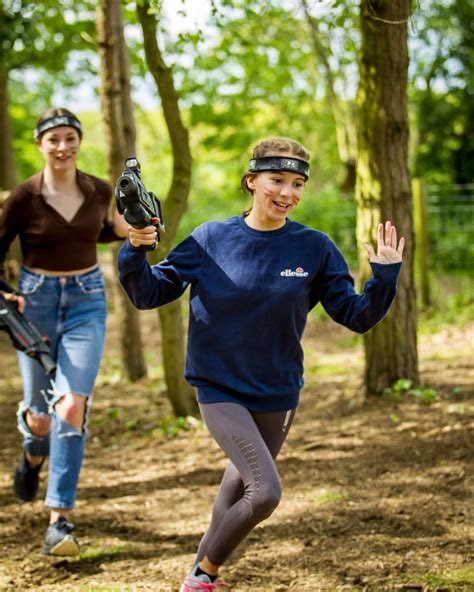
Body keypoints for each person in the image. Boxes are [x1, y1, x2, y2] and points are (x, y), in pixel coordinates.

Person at [117, 137, 405, 590]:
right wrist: (135, 248)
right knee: (265, 492)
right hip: (219, 389)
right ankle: (205, 575)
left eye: (297, 183)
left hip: (278, 392)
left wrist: (384, 278)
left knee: (235, 491)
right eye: (277, 180)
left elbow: (357, 316)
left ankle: (195, 578)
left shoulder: (315, 247)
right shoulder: (211, 239)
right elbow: (148, 292)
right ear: (252, 181)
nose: (287, 193)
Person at [0, 108, 128, 556]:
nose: (63, 146)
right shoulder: (23, 196)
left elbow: (99, 232)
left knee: (72, 403)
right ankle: (33, 454)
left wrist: (126, 231)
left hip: (87, 299)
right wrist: (6, 293)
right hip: (34, 304)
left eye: (70, 138)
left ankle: (60, 520)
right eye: (53, 138)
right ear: (40, 145)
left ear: (79, 142)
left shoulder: (98, 189)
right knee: (40, 414)